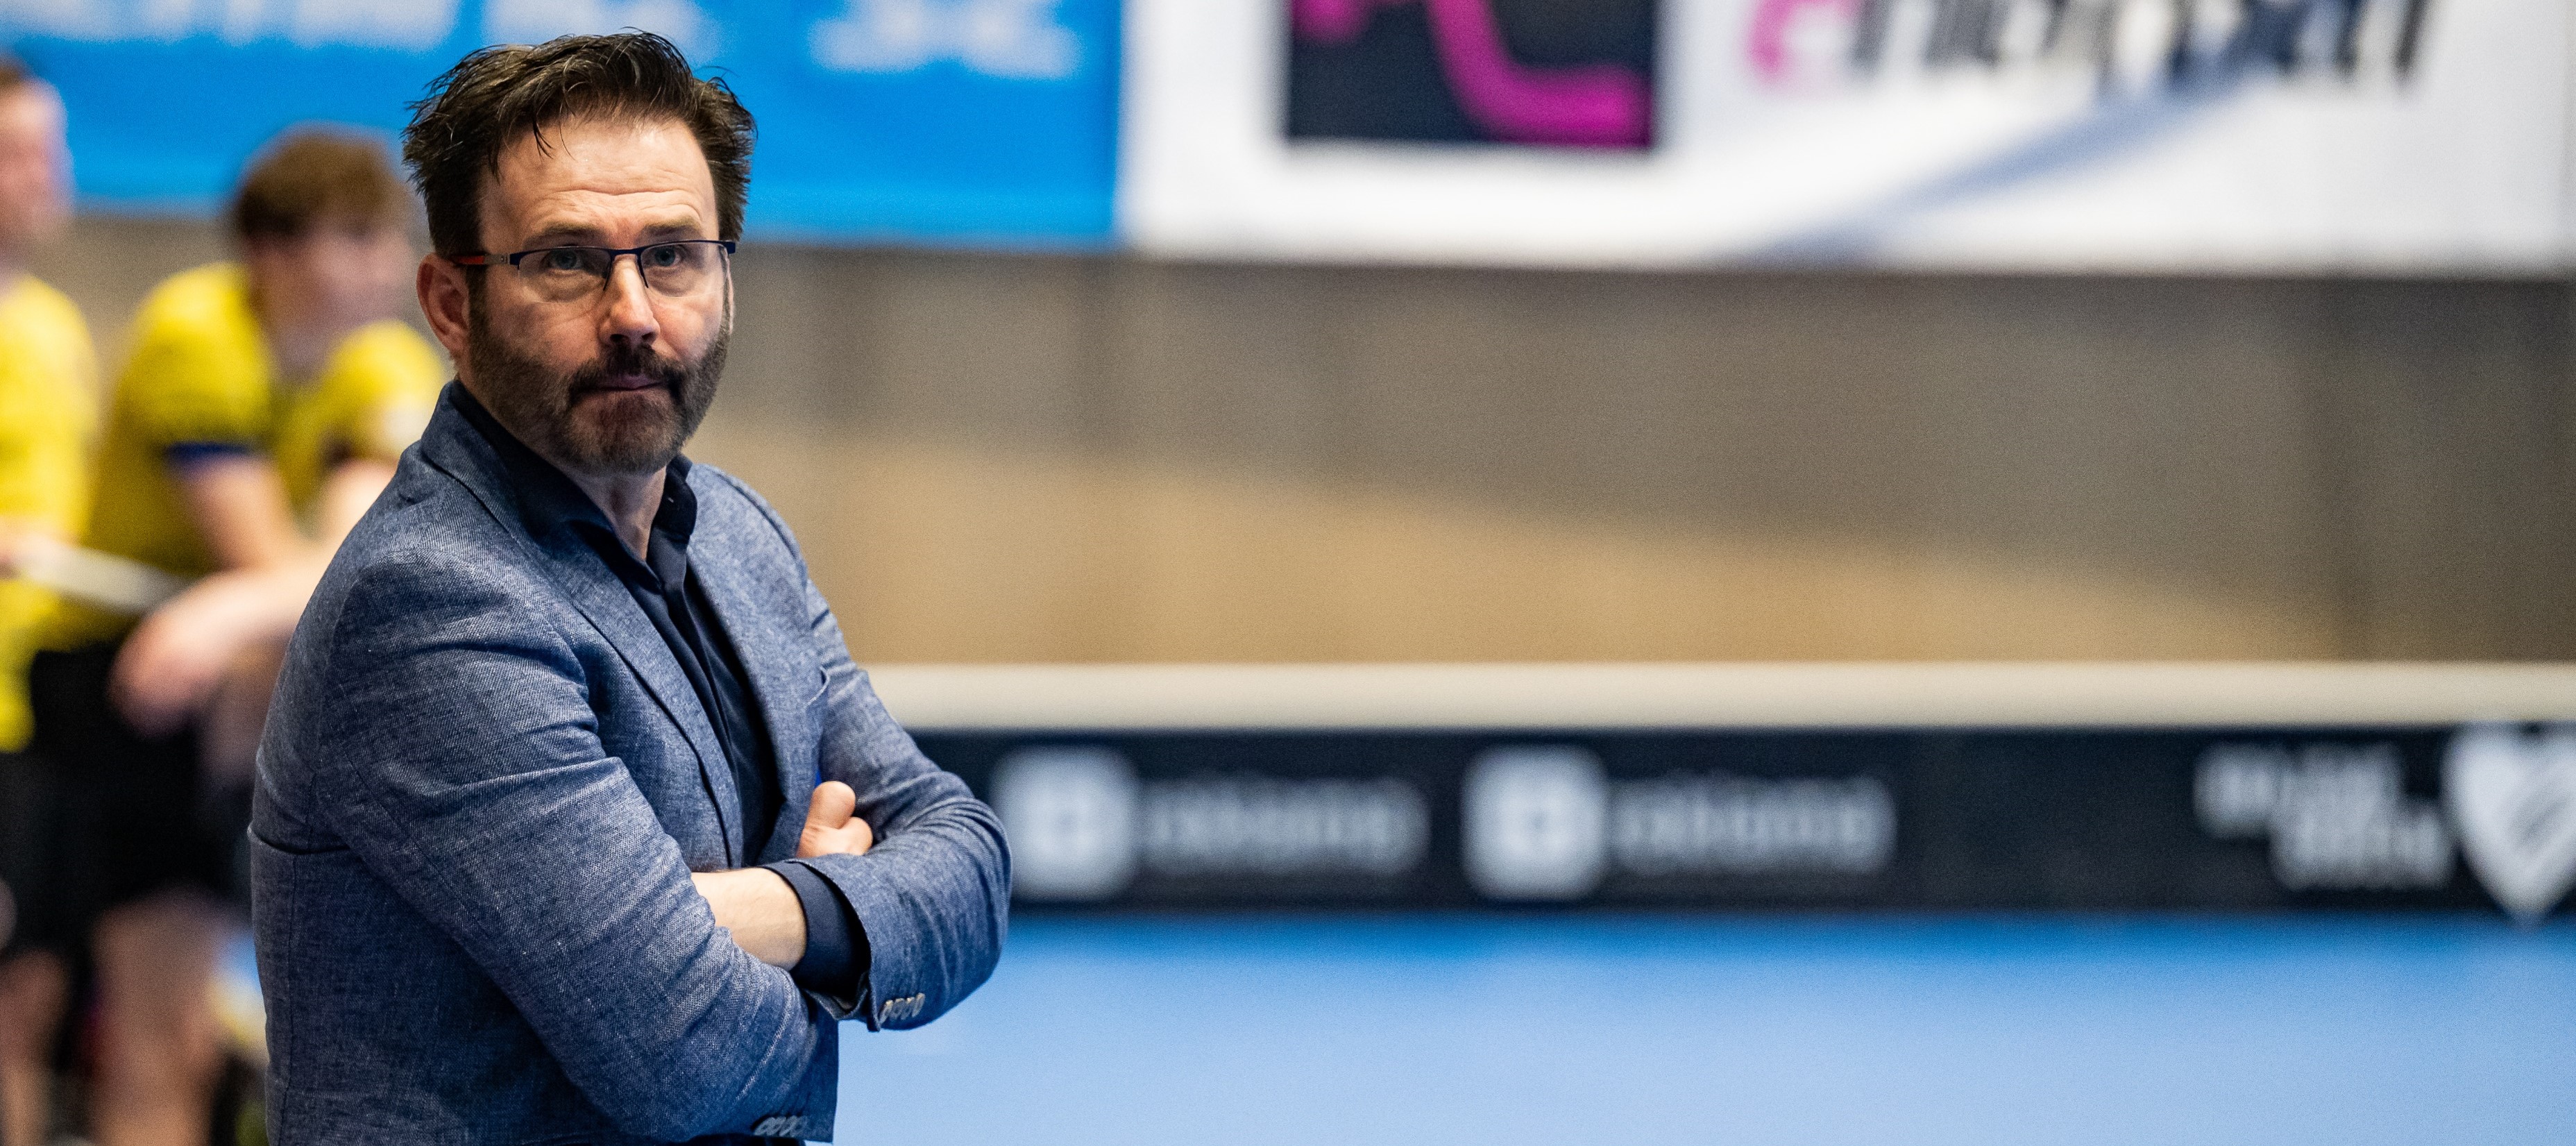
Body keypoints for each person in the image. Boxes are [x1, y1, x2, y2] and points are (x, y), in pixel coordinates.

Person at [251, 31, 1008, 1145]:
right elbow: (689, 1054)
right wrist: (842, 926)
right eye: (566, 260)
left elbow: (970, 869)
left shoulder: (743, 538)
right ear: (452, 305)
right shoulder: (428, 605)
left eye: (672, 255)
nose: (633, 313)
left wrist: (767, 910)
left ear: (727, 282)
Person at [25, 128, 440, 1146]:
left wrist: (223, 611)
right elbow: (272, 559)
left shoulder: (384, 360)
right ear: (272, 251)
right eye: (357, 238)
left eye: (388, 236)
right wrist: (243, 606)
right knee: (111, 1031)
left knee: (188, 1045)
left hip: (229, 683)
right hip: (114, 687)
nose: (391, 264)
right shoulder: (194, 333)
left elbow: (340, 568)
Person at [0, 54, 96, 1146]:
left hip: (49, 702)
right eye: (14, 153)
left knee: (30, 997)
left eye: (50, 148)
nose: (44, 175)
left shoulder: (55, 325)